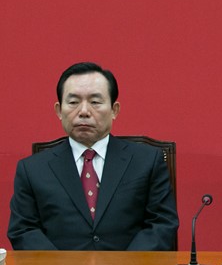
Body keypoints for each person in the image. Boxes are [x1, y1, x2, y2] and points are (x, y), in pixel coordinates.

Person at [7, 62, 179, 250]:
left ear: (114, 110)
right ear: (59, 110)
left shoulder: (147, 161)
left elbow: (161, 223)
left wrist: (127, 264)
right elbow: (24, 230)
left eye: (95, 102)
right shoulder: (32, 169)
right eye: (73, 102)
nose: (84, 112)